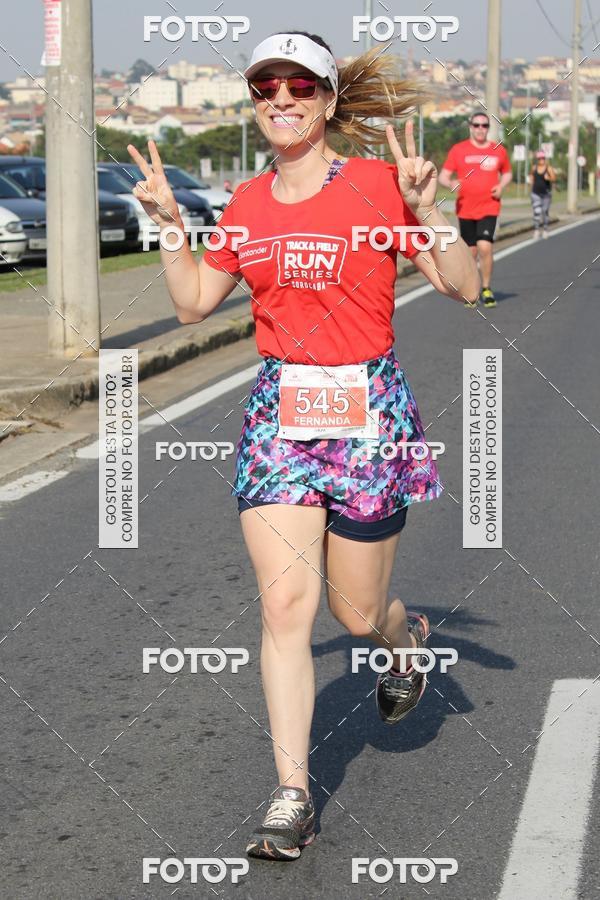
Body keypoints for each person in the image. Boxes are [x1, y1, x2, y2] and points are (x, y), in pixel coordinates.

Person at [127, 31, 479, 862]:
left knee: (354, 615)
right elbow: (190, 306)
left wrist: (429, 214)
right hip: (280, 417)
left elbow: (463, 287)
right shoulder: (246, 203)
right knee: (285, 609)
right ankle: (292, 796)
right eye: (265, 88)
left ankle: (404, 642)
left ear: (326, 101)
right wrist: (172, 226)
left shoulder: (378, 185)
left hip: (370, 413)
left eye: (297, 86)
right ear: (257, 106)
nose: (280, 99)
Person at [439, 113, 512, 308]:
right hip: (465, 209)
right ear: (470, 126)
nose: (481, 129)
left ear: (488, 128)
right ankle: (472, 290)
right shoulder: (458, 150)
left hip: (489, 206)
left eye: (485, 125)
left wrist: (501, 186)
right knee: (470, 251)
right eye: (477, 125)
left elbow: (507, 173)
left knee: (485, 246)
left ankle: (486, 288)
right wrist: (451, 183)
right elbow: (443, 176)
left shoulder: (498, 150)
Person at [528, 150, 556, 239]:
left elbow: (554, 178)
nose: (541, 160)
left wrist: (549, 178)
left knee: (544, 212)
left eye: (543, 158)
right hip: (535, 193)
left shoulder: (549, 168)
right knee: (537, 212)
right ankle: (536, 230)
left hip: (546, 194)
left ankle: (545, 230)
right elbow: (531, 176)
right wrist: (531, 183)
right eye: (540, 158)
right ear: (537, 159)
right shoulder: (534, 168)